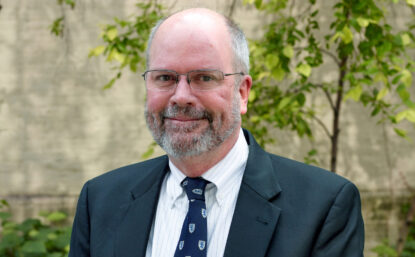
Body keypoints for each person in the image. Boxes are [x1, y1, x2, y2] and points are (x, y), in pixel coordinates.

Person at [69, 8, 364, 257]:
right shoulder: (101, 200)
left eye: (204, 77)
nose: (180, 96)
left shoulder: (324, 206)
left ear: (243, 92)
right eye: (165, 78)